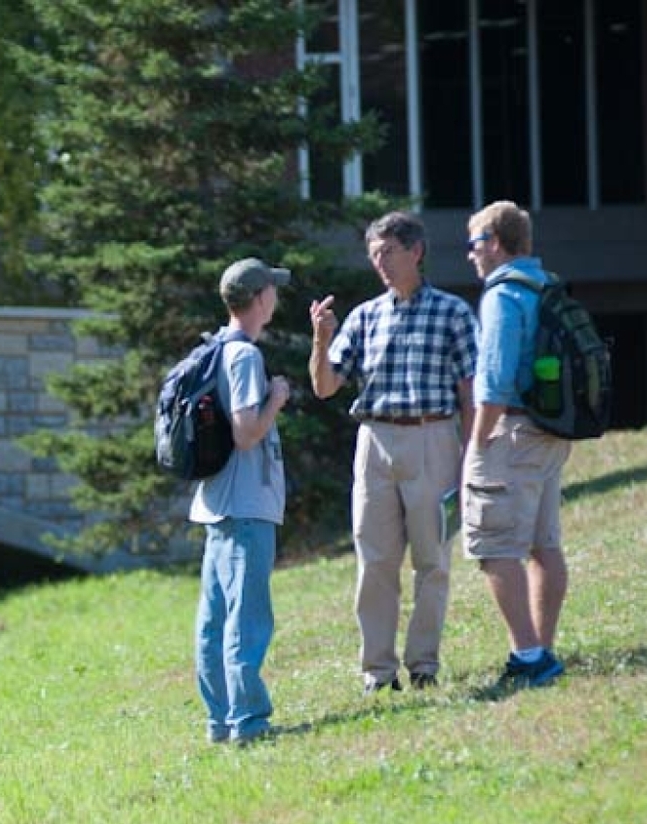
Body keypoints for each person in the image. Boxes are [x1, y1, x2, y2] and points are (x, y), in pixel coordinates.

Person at [308, 211, 478, 695]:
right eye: (374, 255)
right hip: (374, 442)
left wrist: (470, 456)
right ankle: (377, 673)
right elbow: (324, 386)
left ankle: (423, 665)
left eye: (388, 252)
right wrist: (321, 337)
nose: (379, 263)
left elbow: (470, 394)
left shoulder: (453, 313)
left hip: (432, 438)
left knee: (432, 560)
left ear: (416, 252)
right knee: (375, 560)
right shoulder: (364, 316)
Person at [460, 200, 574, 689]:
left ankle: (528, 656)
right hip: (551, 431)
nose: (470, 255)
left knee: (494, 547)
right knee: (543, 544)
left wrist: (478, 439)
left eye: (475, 244)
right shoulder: (547, 284)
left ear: (495, 243)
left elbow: (494, 377)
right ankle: (541, 648)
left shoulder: (503, 294)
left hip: (513, 431)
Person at [193, 257, 293, 745]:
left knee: (214, 621)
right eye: (273, 289)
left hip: (214, 502)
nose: (276, 296)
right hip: (246, 506)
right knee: (246, 619)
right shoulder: (245, 357)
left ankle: (219, 720)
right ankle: (249, 721)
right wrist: (275, 398)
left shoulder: (214, 348)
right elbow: (248, 432)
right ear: (259, 299)